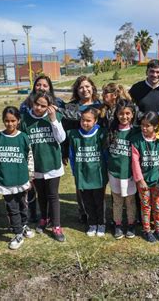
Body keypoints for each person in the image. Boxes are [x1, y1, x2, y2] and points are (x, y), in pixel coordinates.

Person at [20, 92, 66, 242]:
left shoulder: (54, 117)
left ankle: (56, 225)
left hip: (52, 164)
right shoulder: (26, 120)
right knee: (41, 194)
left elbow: (61, 138)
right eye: (37, 104)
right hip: (36, 166)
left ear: (49, 106)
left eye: (43, 105)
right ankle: (44, 218)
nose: (39, 108)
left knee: (53, 195)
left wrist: (53, 120)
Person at [59, 76, 102, 224]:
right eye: (81, 87)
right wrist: (64, 152)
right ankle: (83, 211)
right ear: (77, 90)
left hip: (95, 152)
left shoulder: (100, 107)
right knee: (80, 182)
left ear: (93, 88)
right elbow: (65, 131)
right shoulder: (70, 107)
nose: (85, 90)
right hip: (77, 151)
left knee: (97, 183)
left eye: (87, 86)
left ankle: (98, 212)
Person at [0, 106, 35, 250]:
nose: (9, 124)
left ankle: (23, 225)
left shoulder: (23, 137)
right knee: (12, 208)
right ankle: (17, 233)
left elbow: (30, 158)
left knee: (23, 205)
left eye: (13, 121)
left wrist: (30, 176)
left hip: (21, 179)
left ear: (18, 120)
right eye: (6, 121)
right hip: (5, 180)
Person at [131, 111, 159, 243]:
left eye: (147, 126)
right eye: (142, 125)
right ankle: (147, 230)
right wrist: (140, 180)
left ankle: (158, 230)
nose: (144, 128)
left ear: (155, 126)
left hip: (157, 180)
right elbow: (135, 162)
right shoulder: (137, 141)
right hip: (143, 181)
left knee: (158, 206)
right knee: (146, 206)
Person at [68, 107, 108, 237]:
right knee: (87, 201)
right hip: (82, 174)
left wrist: (106, 170)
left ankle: (101, 223)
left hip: (98, 174)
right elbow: (72, 155)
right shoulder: (74, 134)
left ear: (95, 121)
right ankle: (92, 223)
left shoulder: (101, 133)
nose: (85, 123)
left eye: (88, 120)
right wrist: (75, 171)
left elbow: (105, 154)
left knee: (99, 201)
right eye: (83, 120)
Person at [107, 99, 138, 239]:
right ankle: (117, 224)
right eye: (121, 113)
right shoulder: (112, 130)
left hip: (130, 173)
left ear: (132, 114)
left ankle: (131, 224)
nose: (124, 117)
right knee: (117, 200)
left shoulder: (136, 132)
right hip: (114, 172)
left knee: (130, 201)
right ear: (116, 114)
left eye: (127, 113)